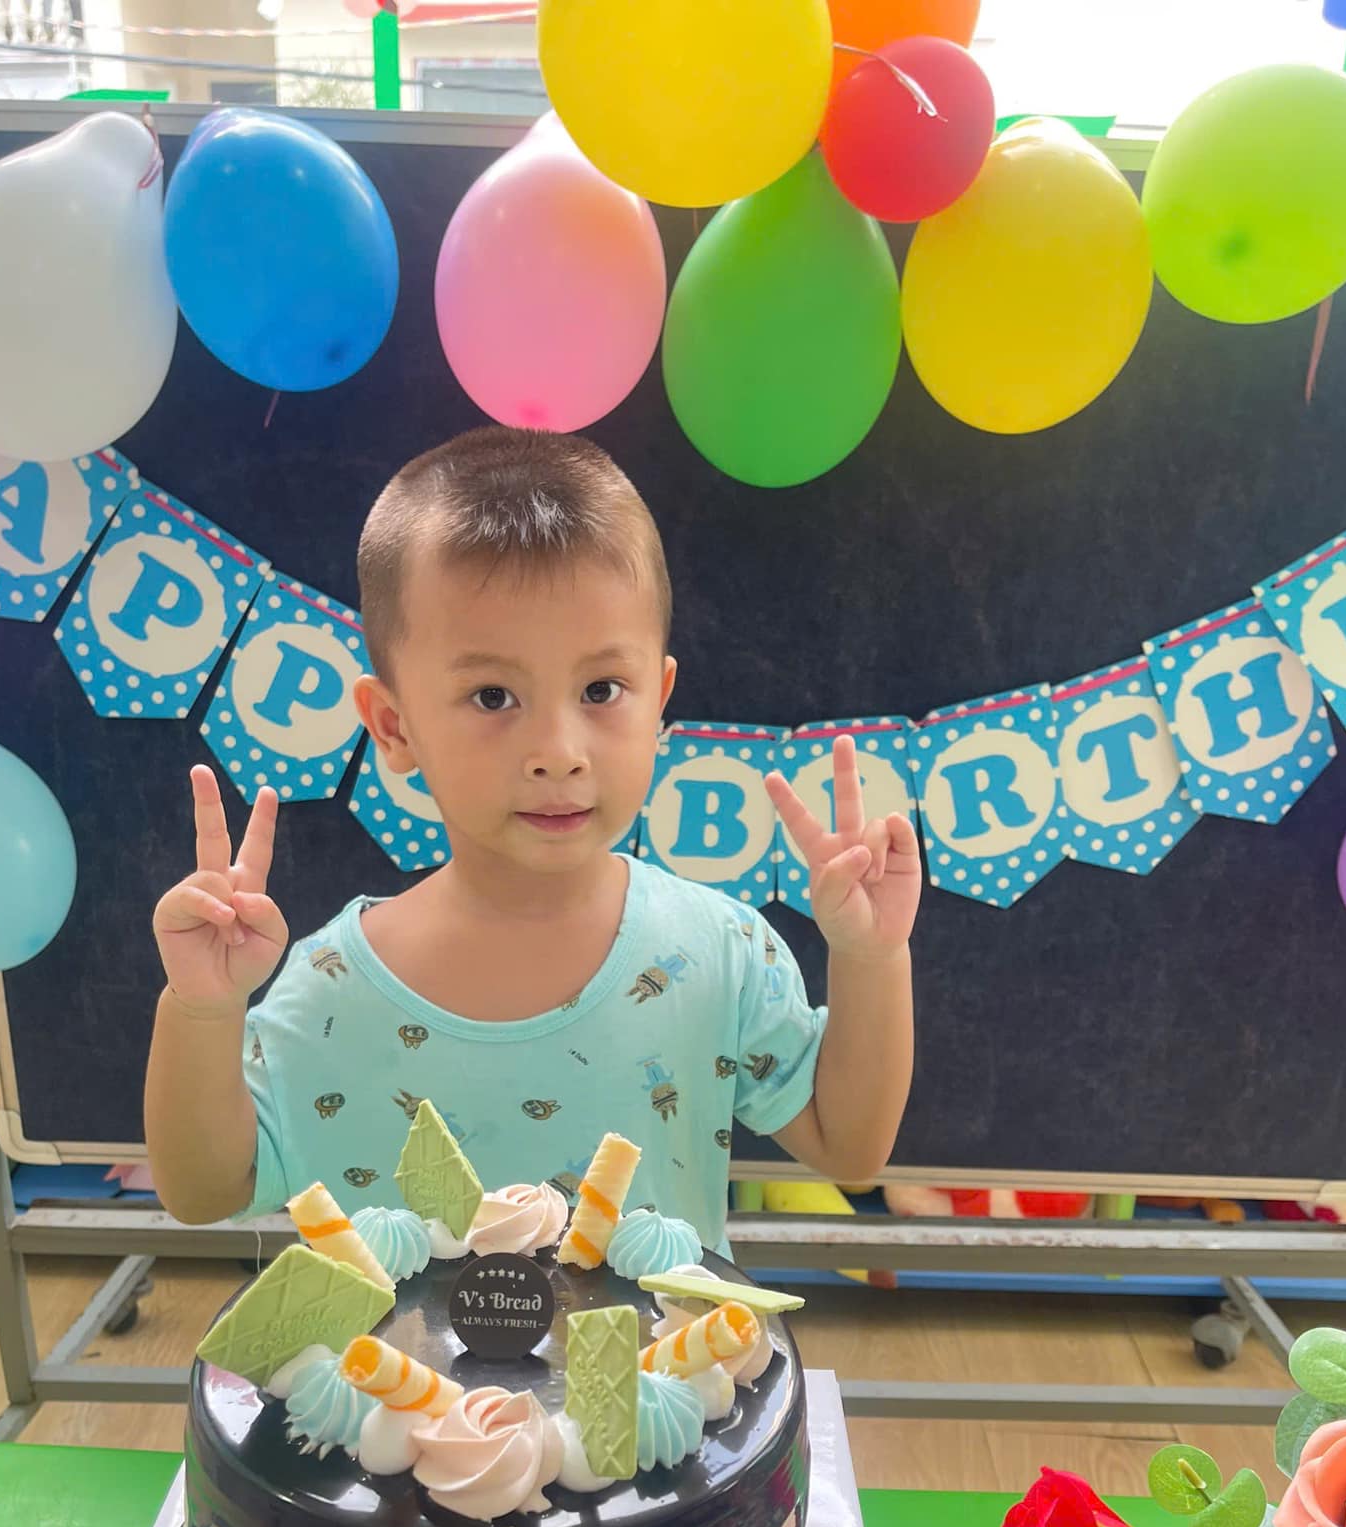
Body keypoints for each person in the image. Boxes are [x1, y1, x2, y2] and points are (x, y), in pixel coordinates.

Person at [145, 427, 918, 1250]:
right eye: (492, 697)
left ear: (658, 700)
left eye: (601, 689)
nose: (558, 751)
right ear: (393, 726)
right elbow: (203, 1191)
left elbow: (849, 1146)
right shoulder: (330, 990)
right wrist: (203, 1009)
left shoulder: (717, 953)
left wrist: (871, 957)